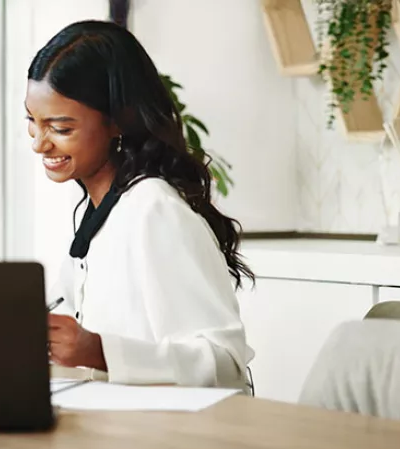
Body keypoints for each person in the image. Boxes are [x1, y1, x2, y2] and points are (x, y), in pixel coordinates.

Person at [25, 20, 255, 390]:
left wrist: (99, 351)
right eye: (33, 122)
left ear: (117, 122)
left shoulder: (154, 210)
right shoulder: (98, 211)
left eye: (61, 128)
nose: (39, 143)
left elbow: (225, 363)